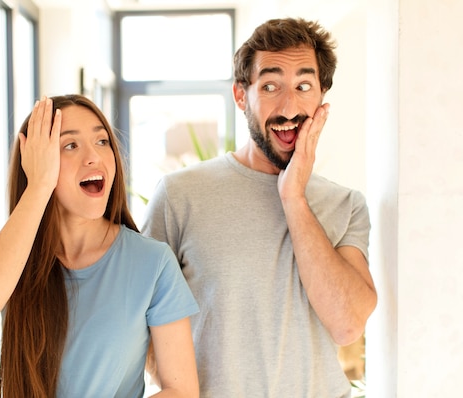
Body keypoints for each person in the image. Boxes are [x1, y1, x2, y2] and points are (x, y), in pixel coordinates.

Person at [141, 18, 377, 397]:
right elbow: (141, 326)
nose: (288, 106)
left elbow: (347, 324)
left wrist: (293, 197)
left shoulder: (346, 205)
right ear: (241, 95)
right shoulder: (179, 196)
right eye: (270, 86)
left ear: (321, 97)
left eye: (303, 86)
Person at [0, 95, 199, 398]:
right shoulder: (6, 253)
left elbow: (181, 391)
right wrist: (39, 185)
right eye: (70, 146)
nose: (94, 157)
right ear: (38, 163)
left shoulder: (152, 262)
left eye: (102, 142)